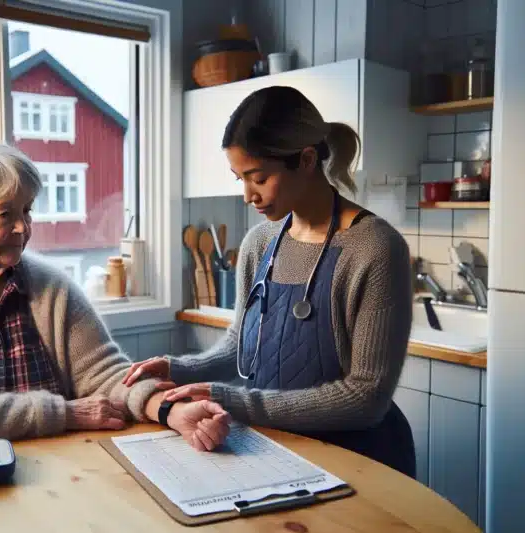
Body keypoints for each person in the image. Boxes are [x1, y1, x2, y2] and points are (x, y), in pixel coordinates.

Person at [0, 137, 230, 476]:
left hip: (39, 473)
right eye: (6, 214)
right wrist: (63, 414)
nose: (23, 227)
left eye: (27, 210)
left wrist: (172, 410)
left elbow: (105, 374)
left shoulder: (51, 286)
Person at [123, 86, 417, 477]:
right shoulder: (260, 243)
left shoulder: (375, 249)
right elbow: (240, 347)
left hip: (359, 460)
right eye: (239, 178)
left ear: (307, 159)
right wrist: (176, 369)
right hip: (277, 450)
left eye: (258, 177)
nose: (248, 195)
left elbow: (367, 397)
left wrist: (236, 401)